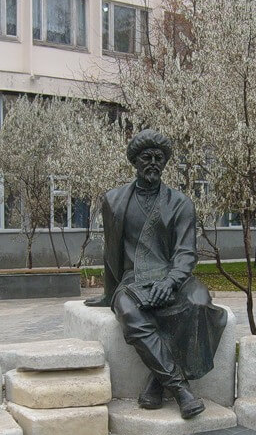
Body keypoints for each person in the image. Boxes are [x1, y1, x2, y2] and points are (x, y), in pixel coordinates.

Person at [85, 129, 227, 418]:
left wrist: (171, 282)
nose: (152, 163)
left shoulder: (180, 203)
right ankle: (179, 388)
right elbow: (111, 252)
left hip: (173, 275)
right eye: (146, 157)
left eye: (158, 158)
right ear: (135, 161)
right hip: (133, 280)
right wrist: (109, 294)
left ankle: (156, 383)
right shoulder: (114, 201)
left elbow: (186, 253)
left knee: (199, 304)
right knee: (129, 312)